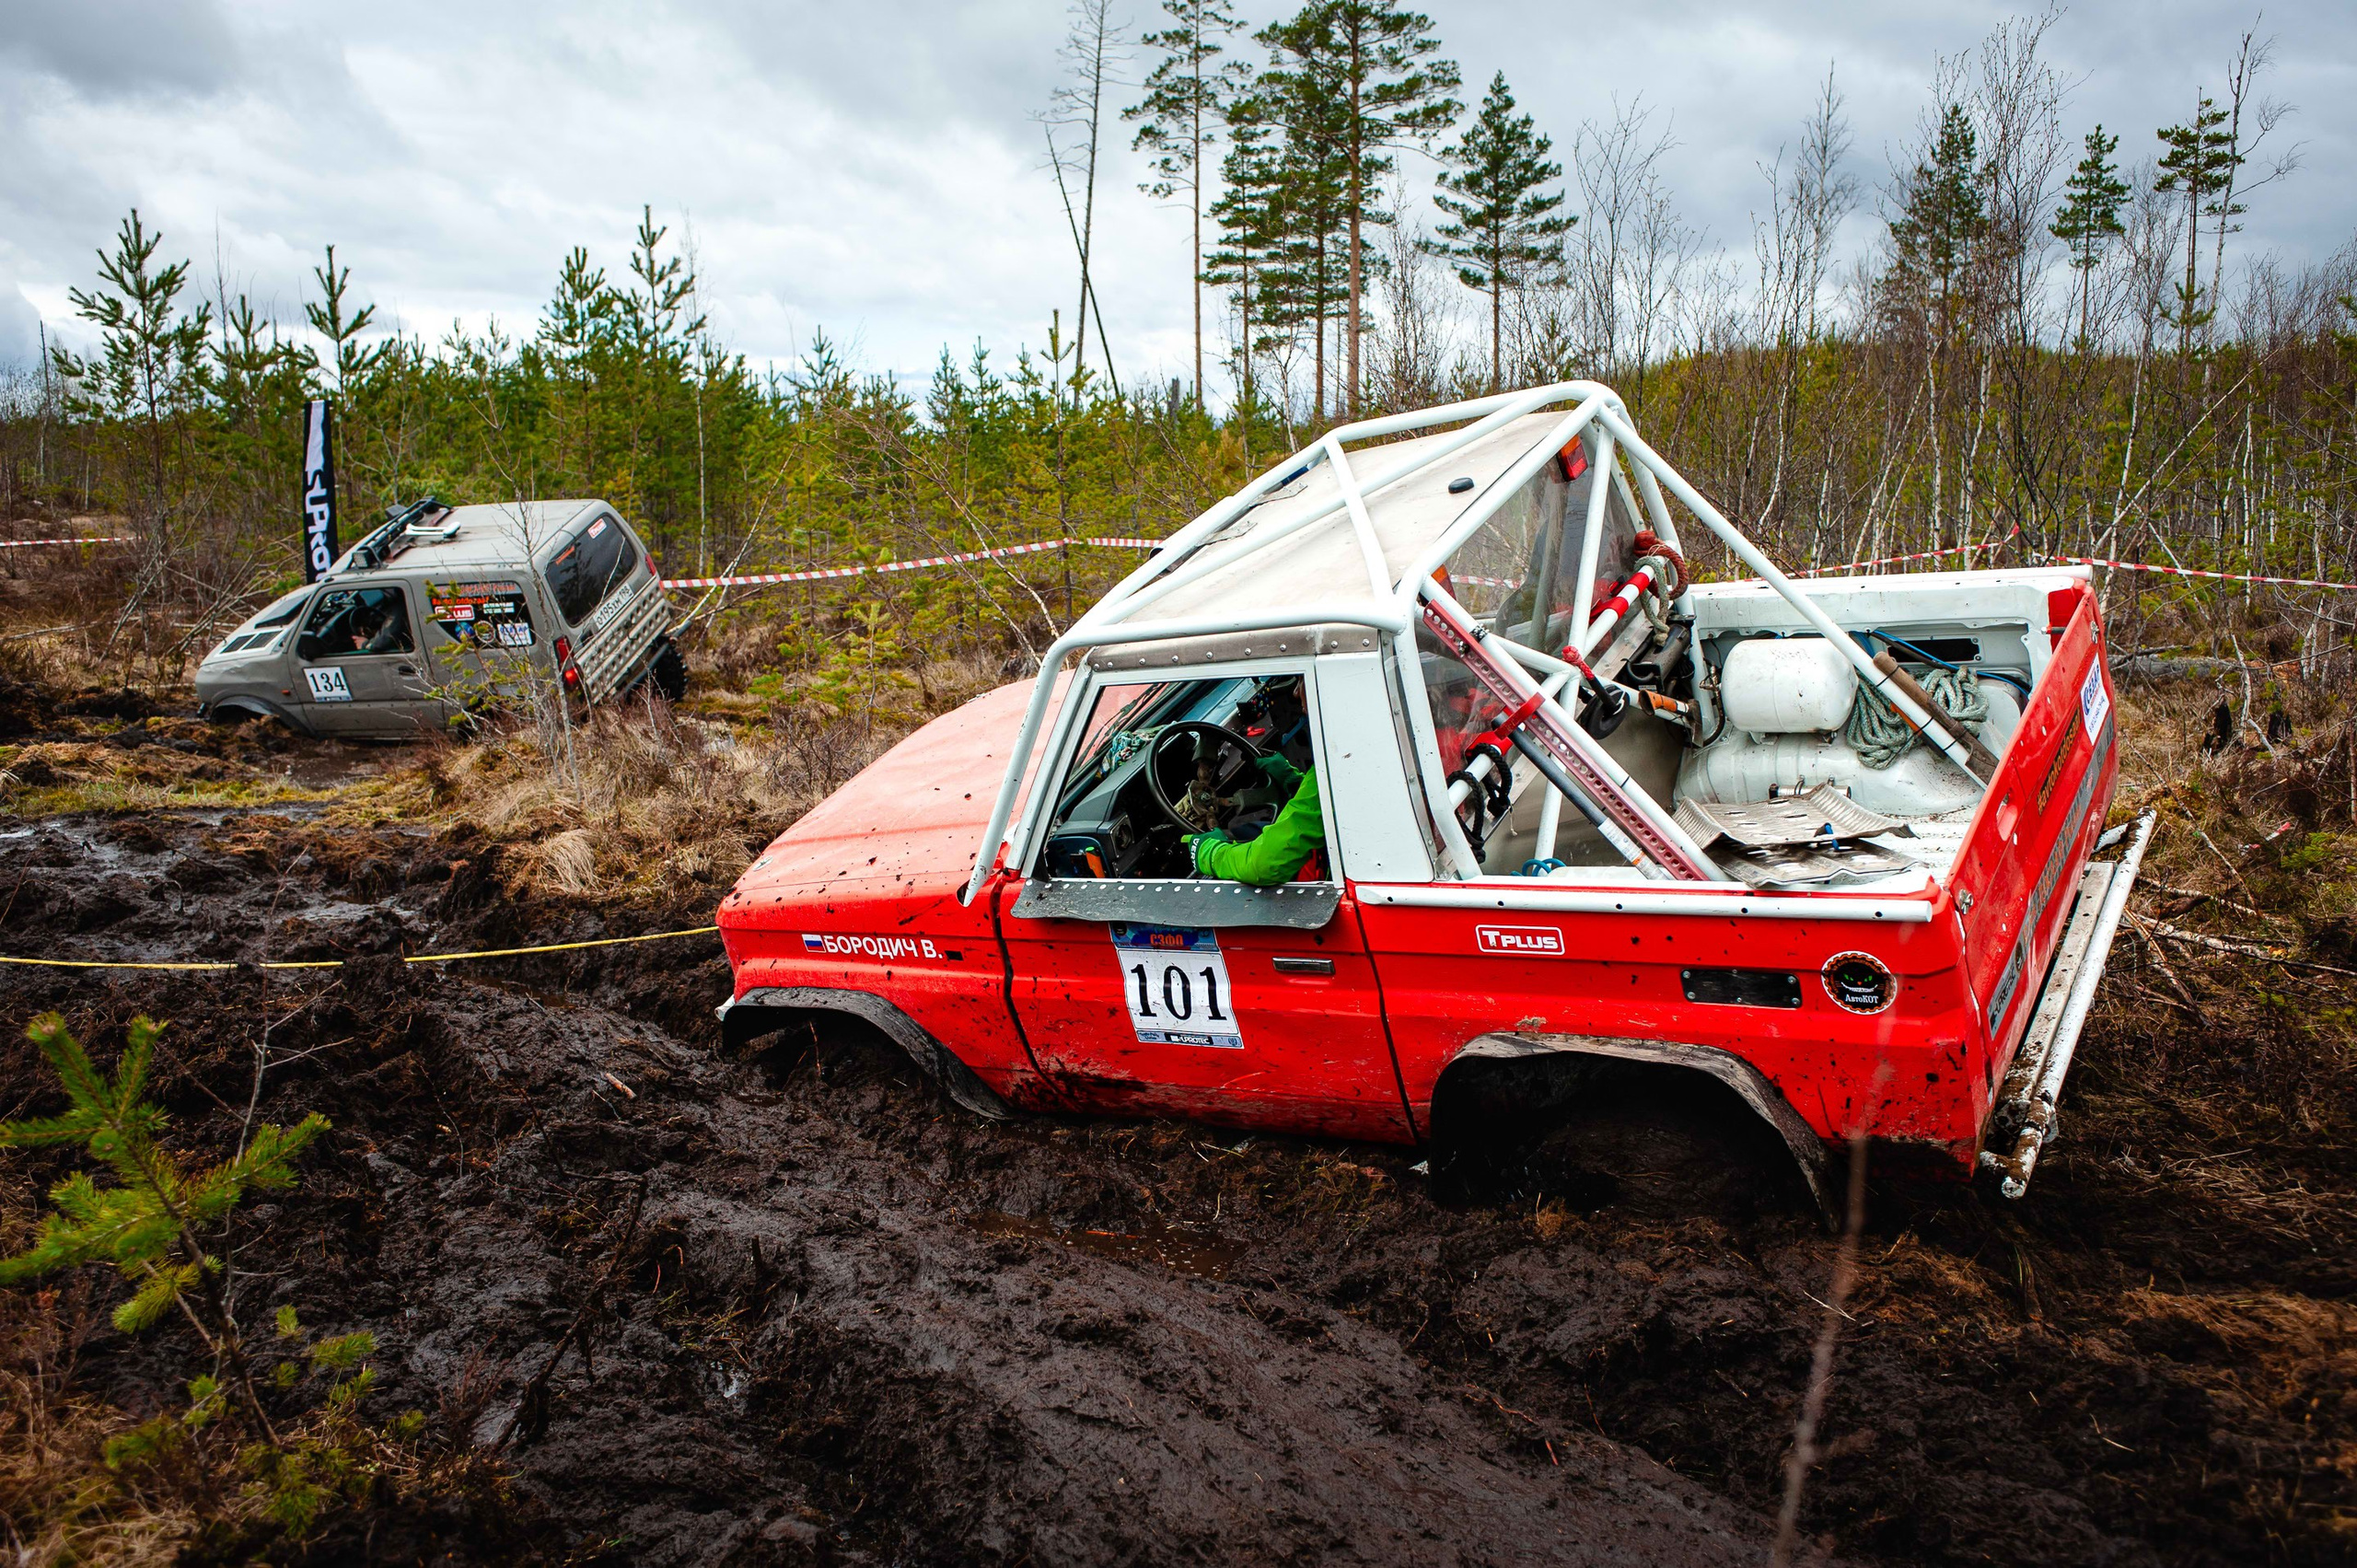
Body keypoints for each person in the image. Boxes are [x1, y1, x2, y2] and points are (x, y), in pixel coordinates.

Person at [1184, 678, 1324, 885]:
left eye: (1302, 680)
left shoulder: (1332, 770)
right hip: (1330, 857)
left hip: (1329, 880)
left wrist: (1211, 855)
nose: (1296, 692)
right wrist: (1294, 783)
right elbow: (1319, 809)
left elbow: (1264, 865)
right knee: (1249, 831)